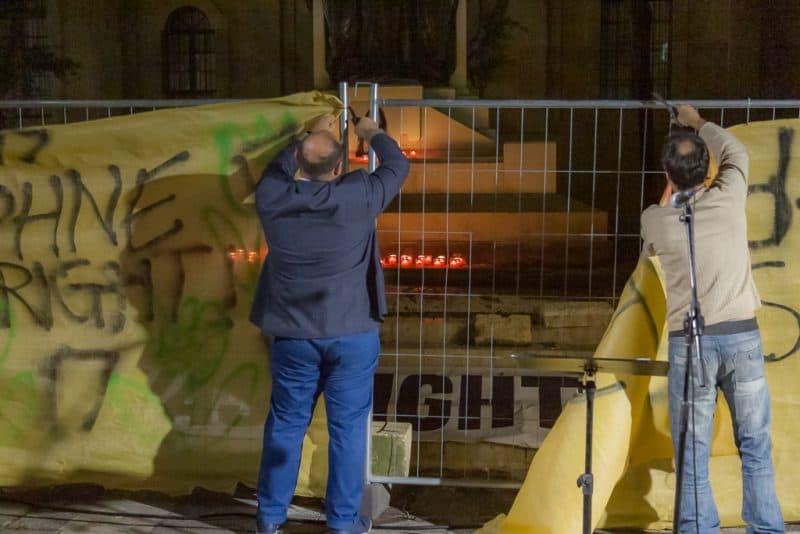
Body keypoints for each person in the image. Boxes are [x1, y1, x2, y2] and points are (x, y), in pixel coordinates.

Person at [249, 112, 410, 534]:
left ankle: (270, 518)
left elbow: (276, 168)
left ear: (299, 163)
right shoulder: (359, 195)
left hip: (293, 335)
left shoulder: (272, 196)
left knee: (286, 425)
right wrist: (369, 132)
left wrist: (312, 133)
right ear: (339, 167)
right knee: (348, 431)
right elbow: (398, 165)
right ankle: (342, 523)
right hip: (352, 334)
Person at [641, 104, 784, 533]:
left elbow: (654, 236)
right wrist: (697, 121)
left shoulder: (656, 221)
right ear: (709, 171)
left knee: (692, 454)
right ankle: (766, 528)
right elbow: (736, 152)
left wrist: (673, 185)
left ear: (668, 174)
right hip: (742, 339)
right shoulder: (730, 195)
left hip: (690, 346)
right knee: (755, 445)